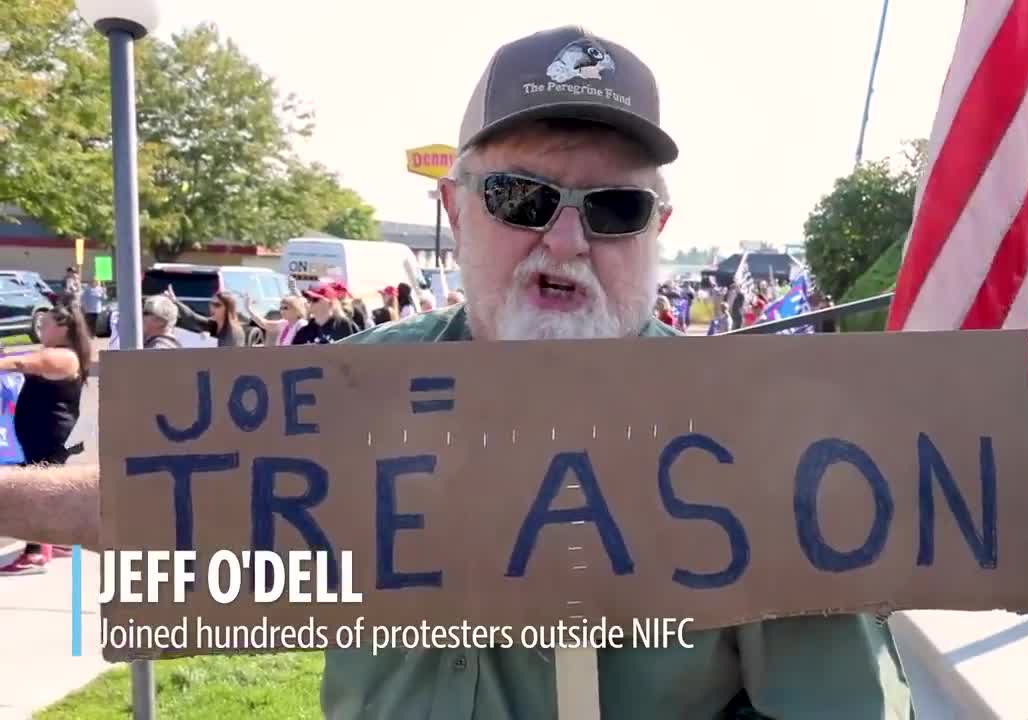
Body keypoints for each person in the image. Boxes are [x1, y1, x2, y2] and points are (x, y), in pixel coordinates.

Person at [0, 25, 914, 719]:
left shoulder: (762, 440)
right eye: (522, 197)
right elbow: (167, 498)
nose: (566, 241)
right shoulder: (347, 384)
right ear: (456, 210)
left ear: (658, 232)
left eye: (616, 206)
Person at [0, 305, 91, 575]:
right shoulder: (59, 353)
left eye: (46, 324)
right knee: (48, 489)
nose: (41, 329)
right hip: (44, 431)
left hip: (49, 433)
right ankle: (56, 541)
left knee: (34, 492)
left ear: (62, 327)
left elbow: (21, 363)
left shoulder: (64, 356)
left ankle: (35, 554)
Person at [166, 287, 247, 347]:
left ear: (228, 309)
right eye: (211, 304)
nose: (212, 308)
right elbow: (192, 317)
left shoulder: (234, 332)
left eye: (217, 305)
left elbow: (230, 357)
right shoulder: (212, 325)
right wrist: (175, 301)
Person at [292, 284, 358, 345]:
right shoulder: (304, 332)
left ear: (330, 303)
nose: (310, 302)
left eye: (315, 299)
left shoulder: (344, 325)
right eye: (309, 299)